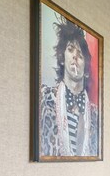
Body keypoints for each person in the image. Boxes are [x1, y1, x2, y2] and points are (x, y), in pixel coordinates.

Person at [40, 17, 98, 157]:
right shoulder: (44, 97)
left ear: (85, 66)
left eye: (80, 55)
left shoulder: (95, 114)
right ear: (62, 56)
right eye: (70, 50)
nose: (75, 57)